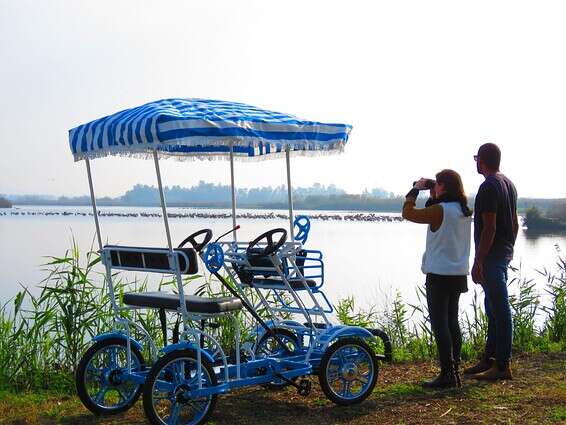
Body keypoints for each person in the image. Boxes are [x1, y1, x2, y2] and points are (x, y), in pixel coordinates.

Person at [403, 170, 472, 388]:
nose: (435, 187)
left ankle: (447, 374)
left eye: (438, 183)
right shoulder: (463, 211)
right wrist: (432, 191)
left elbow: (409, 213)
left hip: (439, 275)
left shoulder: (440, 210)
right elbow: (431, 211)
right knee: (452, 322)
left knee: (440, 324)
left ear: (444, 186)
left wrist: (415, 190)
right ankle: (454, 370)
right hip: (458, 273)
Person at [465, 143, 518, 380]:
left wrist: (479, 260)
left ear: (482, 161)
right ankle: (489, 359)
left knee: (500, 309)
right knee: (493, 309)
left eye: (476, 158)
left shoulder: (488, 187)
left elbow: (490, 227)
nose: (475, 162)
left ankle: (502, 365)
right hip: (502, 254)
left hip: (491, 256)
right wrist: (509, 249)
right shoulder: (508, 184)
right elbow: (514, 224)